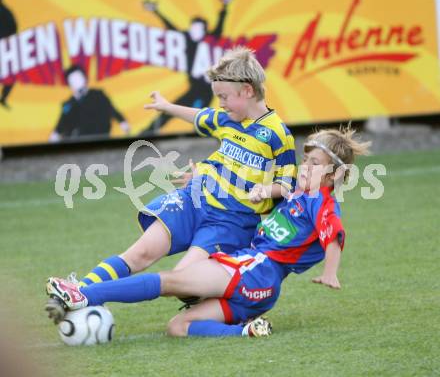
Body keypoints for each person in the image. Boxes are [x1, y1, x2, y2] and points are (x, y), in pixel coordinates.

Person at [45, 46, 296, 322]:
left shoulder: (277, 134)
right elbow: (198, 116)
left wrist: (265, 190)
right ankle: (79, 291)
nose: (220, 104)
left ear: (247, 90)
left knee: (182, 283)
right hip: (193, 201)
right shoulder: (225, 119)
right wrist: (166, 107)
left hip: (230, 222)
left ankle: (230, 300)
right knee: (140, 253)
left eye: (223, 97)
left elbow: (287, 184)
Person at [46, 127, 370, 337]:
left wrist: (331, 273)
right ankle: (247, 332)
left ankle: (84, 295)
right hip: (261, 290)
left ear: (334, 174)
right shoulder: (298, 194)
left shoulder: (322, 202)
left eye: (315, 163)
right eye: (306, 159)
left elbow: (335, 236)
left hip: (254, 272)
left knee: (169, 281)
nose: (306, 167)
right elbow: (252, 189)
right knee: (177, 327)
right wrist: (205, 179)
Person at [141, 0, 233, 134]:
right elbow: (171, 27)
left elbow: (219, 27)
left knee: (202, 117)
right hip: (194, 88)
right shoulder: (187, 39)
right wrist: (155, 11)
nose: (194, 31)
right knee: (171, 110)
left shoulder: (209, 40)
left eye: (198, 29)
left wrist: (225, 6)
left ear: (204, 30)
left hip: (207, 88)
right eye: (193, 28)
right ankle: (146, 133)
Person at [49, 65, 130, 142]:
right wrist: (54, 135)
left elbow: (111, 109)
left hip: (99, 138)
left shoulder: (98, 94)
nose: (76, 81)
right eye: (72, 79)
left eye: (78, 78)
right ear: (69, 84)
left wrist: (122, 122)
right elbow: (61, 124)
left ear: (84, 78)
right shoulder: (68, 104)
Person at [0, 0, 18, 109]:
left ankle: (4, 98)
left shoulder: (6, 12)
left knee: (11, 75)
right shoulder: (7, 12)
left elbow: (13, 29)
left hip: (5, 49)